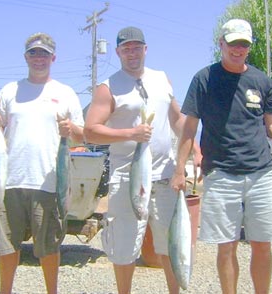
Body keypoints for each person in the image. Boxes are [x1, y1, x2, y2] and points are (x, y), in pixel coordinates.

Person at [170, 19, 272, 294]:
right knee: (226, 246)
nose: (238, 49)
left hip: (261, 173)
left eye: (243, 44)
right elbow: (189, 128)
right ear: (221, 43)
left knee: (263, 244)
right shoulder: (204, 79)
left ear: (249, 47)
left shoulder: (261, 81)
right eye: (233, 43)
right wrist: (179, 169)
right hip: (220, 173)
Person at [83, 26, 201, 294]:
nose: (132, 52)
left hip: (166, 176)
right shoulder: (107, 87)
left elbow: (177, 120)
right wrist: (131, 133)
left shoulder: (162, 79)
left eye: (137, 47)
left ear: (146, 49)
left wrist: (195, 146)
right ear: (117, 52)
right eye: (126, 48)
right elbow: (91, 130)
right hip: (127, 177)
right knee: (124, 246)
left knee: (172, 244)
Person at [0, 32, 84, 294]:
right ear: (25, 56)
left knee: (48, 247)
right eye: (33, 53)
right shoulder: (9, 91)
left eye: (43, 53)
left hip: (50, 182)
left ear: (53, 57)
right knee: (6, 246)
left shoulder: (65, 92)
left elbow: (81, 135)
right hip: (9, 180)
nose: (38, 58)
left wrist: (70, 128)